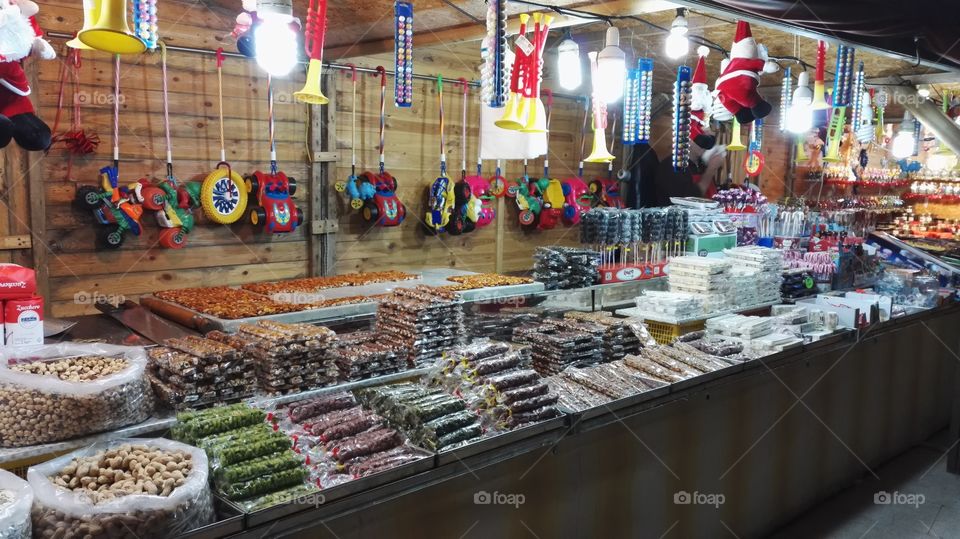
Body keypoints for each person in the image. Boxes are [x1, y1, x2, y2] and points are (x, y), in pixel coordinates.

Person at [651, 139, 725, 206]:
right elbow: (689, 200)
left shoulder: (701, 164)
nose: (706, 144)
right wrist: (711, 170)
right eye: (702, 139)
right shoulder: (673, 165)